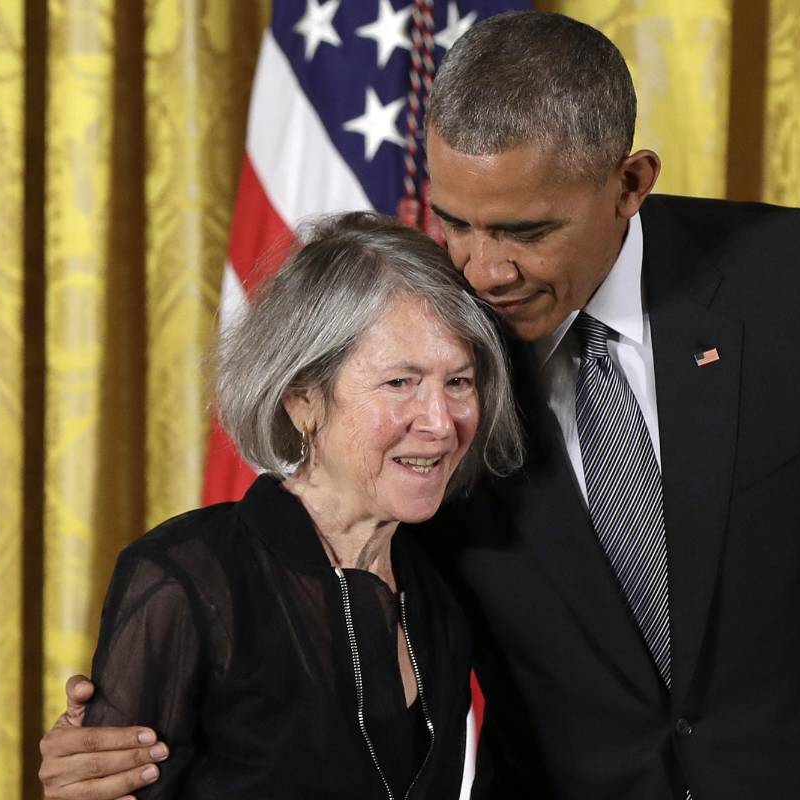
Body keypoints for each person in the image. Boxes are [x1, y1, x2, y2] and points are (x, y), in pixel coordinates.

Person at [40, 11, 800, 799]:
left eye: (525, 231)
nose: (484, 269)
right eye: (457, 222)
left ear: (629, 185)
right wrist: (128, 736)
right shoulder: (442, 343)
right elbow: (321, 642)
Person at [37, 211, 523, 799]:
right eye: (400, 383)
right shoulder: (185, 578)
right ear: (302, 399)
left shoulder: (442, 589)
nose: (440, 423)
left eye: (459, 382)